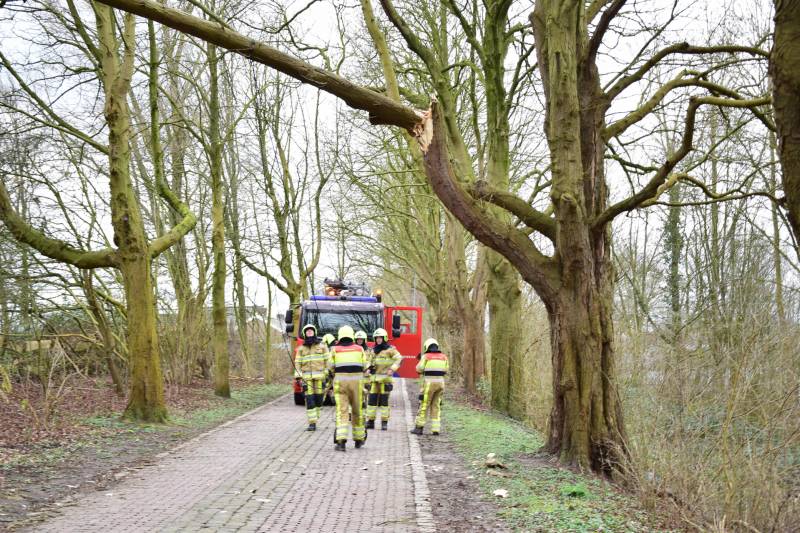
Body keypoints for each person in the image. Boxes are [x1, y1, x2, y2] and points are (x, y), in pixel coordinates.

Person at [327, 325, 368, 451]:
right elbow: (365, 366)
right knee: (357, 411)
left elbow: (330, 367)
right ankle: (359, 440)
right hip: (357, 384)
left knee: (342, 412)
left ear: (340, 335)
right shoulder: (359, 349)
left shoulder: (335, 350)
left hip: (341, 384)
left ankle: (341, 443)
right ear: (352, 335)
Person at [365, 328, 402, 431]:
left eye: (380, 338)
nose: (378, 340)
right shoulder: (373, 350)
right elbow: (368, 360)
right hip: (374, 380)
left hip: (385, 380)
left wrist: (392, 369)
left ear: (384, 338)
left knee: (384, 402)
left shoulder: (390, 349)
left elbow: (399, 358)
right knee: (371, 402)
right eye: (377, 338)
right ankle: (370, 421)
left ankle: (384, 423)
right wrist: (368, 368)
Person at [411, 338, 449, 436]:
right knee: (436, 405)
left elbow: (419, 369)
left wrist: (421, 361)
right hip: (441, 384)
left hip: (429, 384)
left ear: (427, 347)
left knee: (424, 404)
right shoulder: (444, 357)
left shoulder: (426, 356)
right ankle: (435, 429)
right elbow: (446, 369)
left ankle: (419, 428)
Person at [295, 324, 328, 431]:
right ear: (305, 334)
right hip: (306, 378)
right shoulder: (301, 349)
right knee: (310, 400)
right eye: (307, 331)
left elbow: (328, 362)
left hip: (320, 378)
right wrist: (298, 377)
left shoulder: (322, 346)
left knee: (319, 400)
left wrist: (327, 374)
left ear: (314, 332)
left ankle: (316, 416)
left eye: (311, 331)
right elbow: (297, 364)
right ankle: (312, 423)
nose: (309, 332)